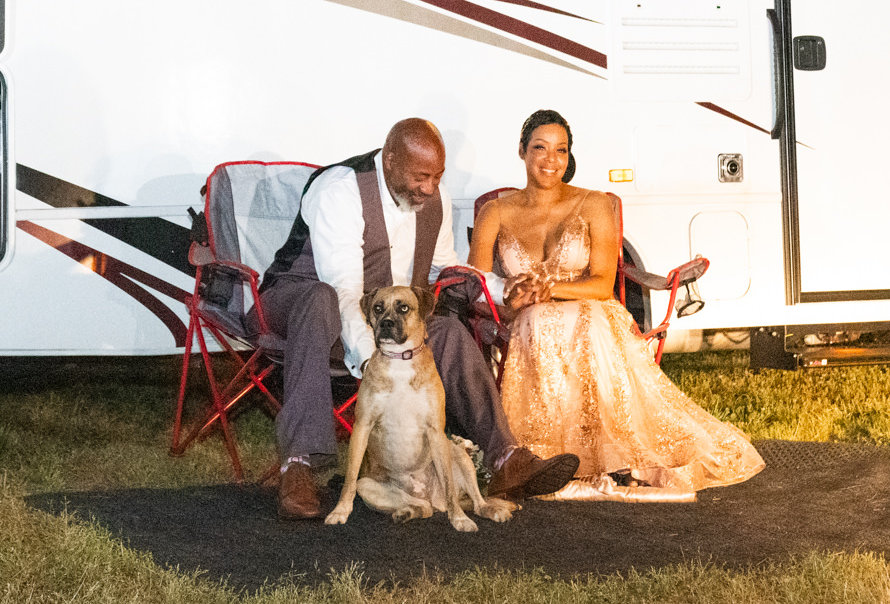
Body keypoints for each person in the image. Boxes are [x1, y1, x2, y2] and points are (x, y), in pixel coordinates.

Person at [260, 117, 580, 521]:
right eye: (421, 176)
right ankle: (300, 466)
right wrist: (373, 362)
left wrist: (502, 290)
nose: (430, 188)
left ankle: (505, 459)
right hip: (300, 302)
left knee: (447, 330)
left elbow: (443, 268)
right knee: (319, 301)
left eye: (438, 176)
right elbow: (343, 289)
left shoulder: (434, 198)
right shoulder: (340, 190)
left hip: (383, 317)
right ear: (390, 160)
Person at [473, 109, 765, 499]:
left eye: (561, 150)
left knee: (585, 322)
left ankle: (607, 453)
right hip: (522, 318)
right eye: (540, 148)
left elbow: (600, 283)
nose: (550, 160)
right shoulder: (496, 211)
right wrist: (511, 301)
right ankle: (544, 457)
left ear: (569, 156)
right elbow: (473, 285)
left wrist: (548, 289)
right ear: (522, 151)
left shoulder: (593, 204)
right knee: (536, 323)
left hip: (589, 307)